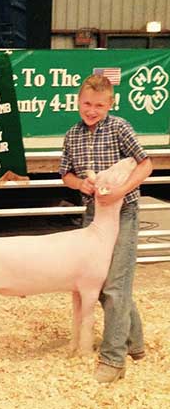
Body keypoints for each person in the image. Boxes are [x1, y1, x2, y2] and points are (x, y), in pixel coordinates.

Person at [59, 74, 153, 383]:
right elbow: (66, 175)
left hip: (123, 211)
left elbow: (146, 164)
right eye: (86, 103)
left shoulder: (120, 127)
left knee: (115, 285)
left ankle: (114, 360)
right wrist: (82, 184)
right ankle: (135, 344)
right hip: (94, 213)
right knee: (102, 284)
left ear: (110, 104)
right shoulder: (73, 134)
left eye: (99, 105)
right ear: (78, 101)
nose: (91, 110)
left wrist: (123, 190)